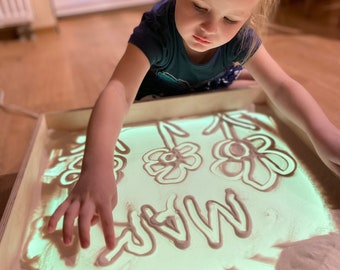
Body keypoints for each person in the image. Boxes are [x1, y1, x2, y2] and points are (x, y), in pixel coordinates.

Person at [47, 0, 340, 250]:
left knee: (255, 85)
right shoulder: (157, 31)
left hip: (208, 88)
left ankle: (235, 78)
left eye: (230, 19)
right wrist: (96, 166)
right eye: (199, 6)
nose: (210, 29)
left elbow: (281, 87)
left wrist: (324, 134)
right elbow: (119, 92)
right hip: (155, 99)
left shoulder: (240, 39)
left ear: (248, 16)